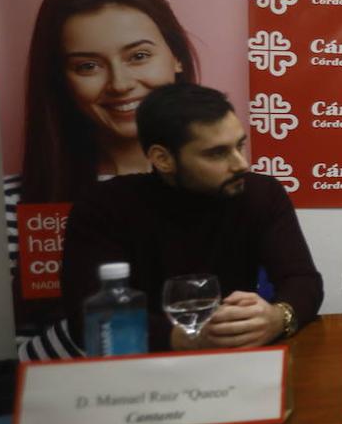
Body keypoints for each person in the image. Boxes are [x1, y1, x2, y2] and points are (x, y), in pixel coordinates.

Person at [10, 0, 200, 357]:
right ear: (61, 80)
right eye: (87, 66)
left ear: (176, 57)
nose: (119, 83)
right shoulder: (17, 203)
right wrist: (113, 325)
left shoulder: (227, 185)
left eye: (139, 56)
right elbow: (13, 362)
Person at [60, 84, 323, 352]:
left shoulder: (261, 193)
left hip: (235, 364)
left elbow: (303, 280)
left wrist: (278, 317)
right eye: (218, 153)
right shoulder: (103, 206)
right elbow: (88, 318)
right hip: (138, 371)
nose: (241, 164)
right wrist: (185, 338)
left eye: (240, 146)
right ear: (162, 159)